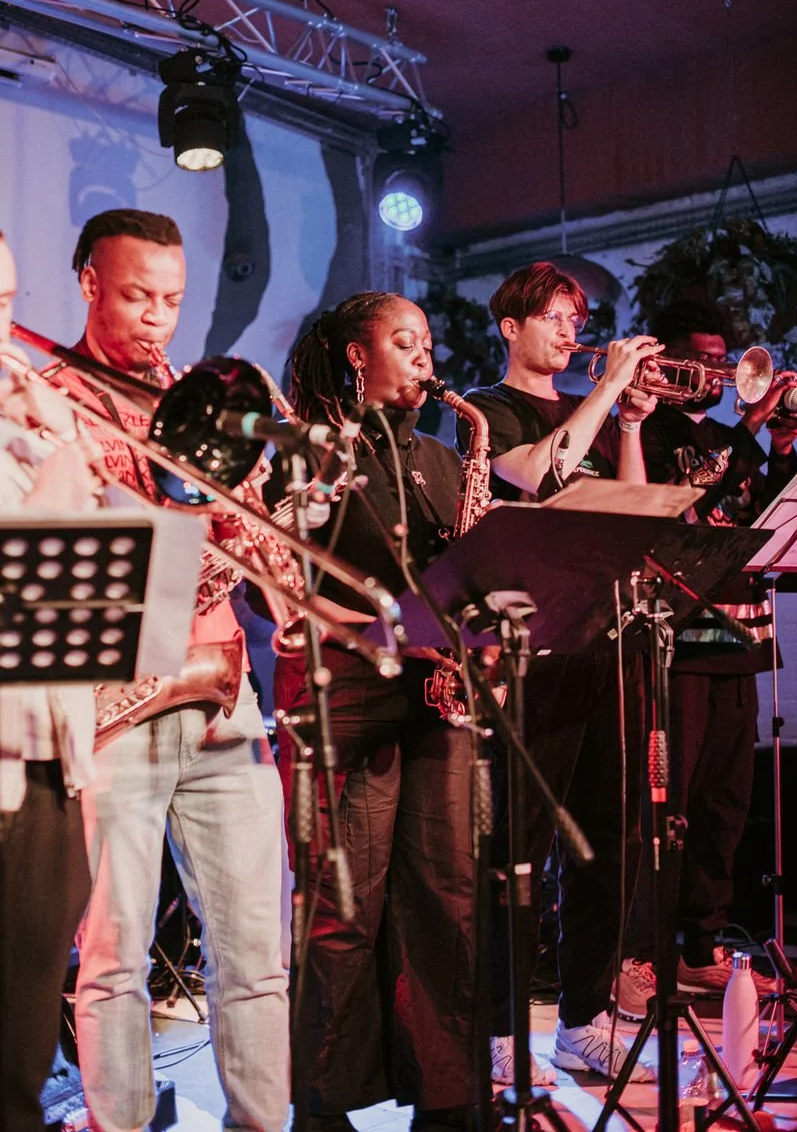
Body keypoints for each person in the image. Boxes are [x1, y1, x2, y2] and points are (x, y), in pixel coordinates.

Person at [59, 209, 289, 1132]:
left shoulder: (202, 399)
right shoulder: (50, 401)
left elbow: (254, 550)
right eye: (136, 296)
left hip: (221, 693)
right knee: (113, 958)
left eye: (173, 299)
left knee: (257, 954)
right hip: (114, 700)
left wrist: (257, 522)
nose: (157, 318)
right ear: (89, 283)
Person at [265, 292, 478, 1130]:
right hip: (347, 696)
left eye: (427, 343)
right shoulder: (313, 451)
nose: (425, 356)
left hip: (435, 698)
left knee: (446, 898)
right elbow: (277, 583)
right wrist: (379, 628)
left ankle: (448, 1095)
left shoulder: (442, 457)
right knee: (342, 907)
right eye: (405, 341)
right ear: (359, 355)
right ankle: (322, 1106)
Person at [457, 261, 662, 1085]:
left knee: (609, 842)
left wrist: (632, 424)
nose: (571, 332)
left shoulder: (597, 417)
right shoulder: (488, 409)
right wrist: (608, 390)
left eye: (577, 319)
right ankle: (501, 1029)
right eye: (553, 317)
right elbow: (540, 474)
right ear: (511, 328)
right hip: (533, 650)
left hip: (606, 641)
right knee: (520, 844)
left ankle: (582, 1022)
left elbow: (632, 513)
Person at [619, 299, 797, 1017]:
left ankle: (701, 946)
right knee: (666, 803)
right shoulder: (649, 434)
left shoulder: (733, 437)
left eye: (723, 360)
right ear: (668, 362)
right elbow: (686, 504)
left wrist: (780, 446)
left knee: (726, 804)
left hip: (742, 639)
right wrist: (753, 430)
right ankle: (639, 952)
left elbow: (766, 518)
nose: (717, 372)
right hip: (679, 639)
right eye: (701, 358)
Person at [0, 231, 99, 1132]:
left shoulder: (26, 427)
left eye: (4, 302)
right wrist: (57, 455)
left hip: (45, 751)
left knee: (26, 1016)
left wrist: (58, 438)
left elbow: (90, 580)